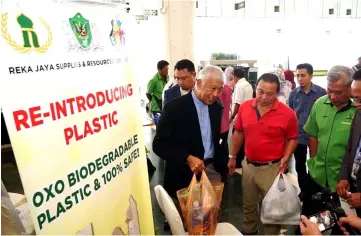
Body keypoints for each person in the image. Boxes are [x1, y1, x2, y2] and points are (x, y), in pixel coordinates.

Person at [228, 73, 298, 235]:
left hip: (272, 168)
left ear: (277, 94)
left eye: (269, 94)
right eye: (260, 91)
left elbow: (292, 138)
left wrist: (286, 158)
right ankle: (249, 231)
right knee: (249, 204)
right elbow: (239, 132)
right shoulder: (245, 107)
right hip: (249, 165)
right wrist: (232, 157)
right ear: (255, 88)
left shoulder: (287, 114)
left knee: (272, 209)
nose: (263, 97)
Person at [153, 65, 228, 199]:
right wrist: (187, 157)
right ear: (199, 83)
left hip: (211, 171)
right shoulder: (174, 108)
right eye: (213, 88)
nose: (216, 94)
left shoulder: (216, 107)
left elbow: (216, 139)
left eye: (220, 90)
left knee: (210, 216)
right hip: (183, 174)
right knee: (184, 216)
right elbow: (159, 145)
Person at [301, 65, 356, 219]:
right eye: (329, 90)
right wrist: (313, 160)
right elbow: (312, 134)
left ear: (350, 88)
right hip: (316, 176)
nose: (332, 97)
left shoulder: (357, 110)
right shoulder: (320, 104)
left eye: (338, 92)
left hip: (343, 183)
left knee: (343, 224)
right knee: (309, 221)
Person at [288, 63, 327, 196]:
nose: (299, 78)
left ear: (311, 75)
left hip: (316, 136)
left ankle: (315, 188)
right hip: (298, 136)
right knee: (299, 165)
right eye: (297, 75)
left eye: (303, 75)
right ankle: (304, 190)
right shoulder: (293, 94)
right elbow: (290, 114)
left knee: (316, 163)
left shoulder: (322, 93)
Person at [337, 69, 361, 216]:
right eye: (354, 99)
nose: (356, 104)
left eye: (360, 99)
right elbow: (350, 149)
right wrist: (344, 177)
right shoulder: (358, 115)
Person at [230, 68, 253, 168]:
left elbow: (238, 104)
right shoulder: (248, 85)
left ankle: (237, 162)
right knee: (245, 140)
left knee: (237, 139)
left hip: (240, 117)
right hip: (248, 116)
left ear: (235, 77)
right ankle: (242, 160)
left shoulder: (239, 86)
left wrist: (232, 116)